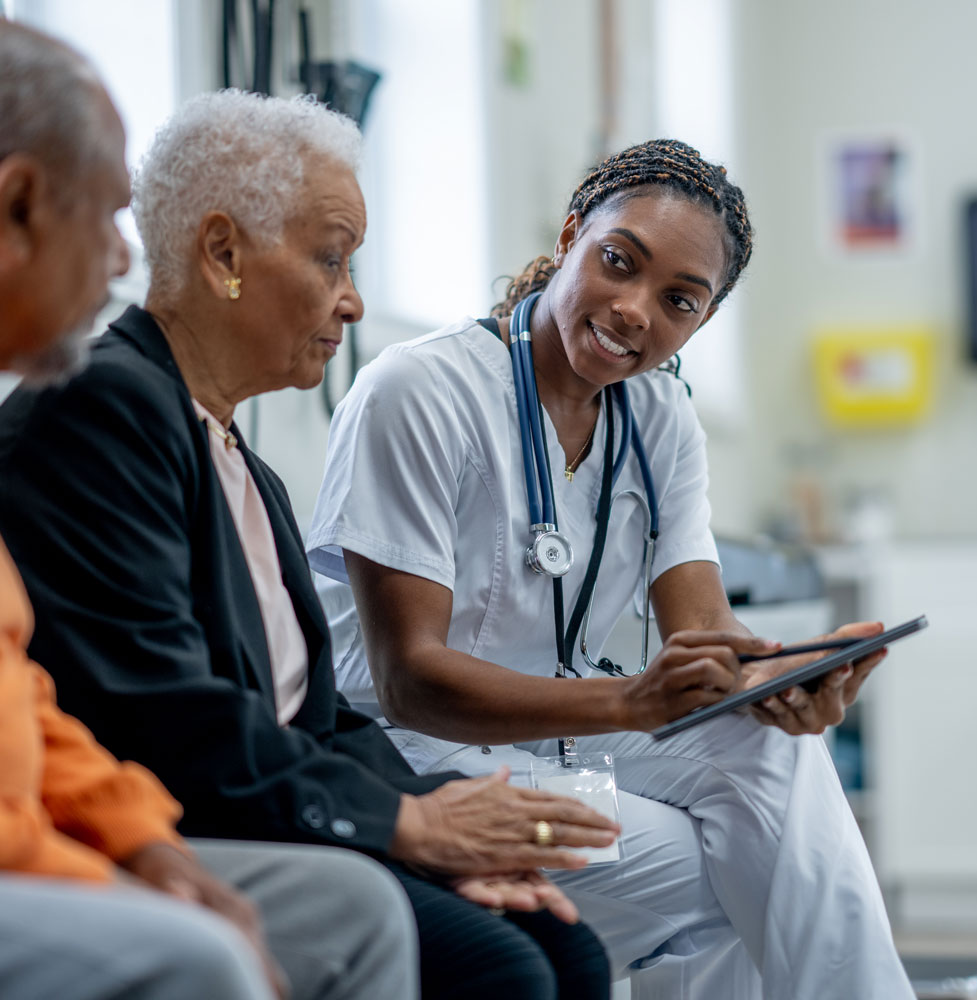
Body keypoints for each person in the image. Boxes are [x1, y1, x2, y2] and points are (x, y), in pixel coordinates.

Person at [0, 86, 617, 1000]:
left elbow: (317, 716)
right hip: (211, 810)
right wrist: (405, 829)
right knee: (502, 968)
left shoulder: (243, 460)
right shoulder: (104, 405)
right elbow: (165, 710)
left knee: (564, 948)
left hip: (270, 802)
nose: (355, 301)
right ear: (223, 255)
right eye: (331, 259)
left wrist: (432, 814)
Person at [304, 139, 917, 999]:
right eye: (618, 262)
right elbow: (409, 683)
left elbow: (702, 632)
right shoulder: (420, 389)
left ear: (701, 321)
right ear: (570, 238)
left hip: (565, 731)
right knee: (749, 866)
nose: (635, 311)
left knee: (769, 753)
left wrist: (774, 676)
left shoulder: (659, 415)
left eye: (679, 301)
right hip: (411, 752)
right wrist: (629, 700)